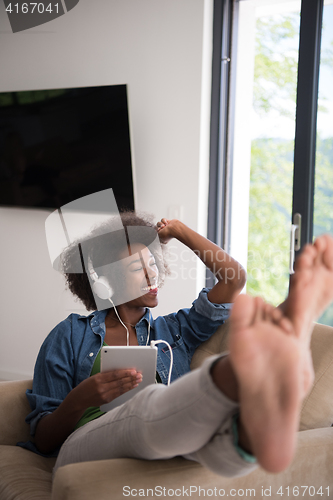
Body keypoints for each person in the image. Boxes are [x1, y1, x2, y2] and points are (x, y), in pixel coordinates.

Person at [19, 212, 333, 479]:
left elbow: (233, 278)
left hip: (169, 439)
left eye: (152, 263)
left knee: (211, 441)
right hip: (83, 448)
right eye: (135, 268)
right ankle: (241, 370)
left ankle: (252, 433)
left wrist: (178, 230)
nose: (151, 274)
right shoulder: (70, 335)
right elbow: (44, 441)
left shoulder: (174, 330)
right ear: (105, 281)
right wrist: (79, 399)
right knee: (148, 408)